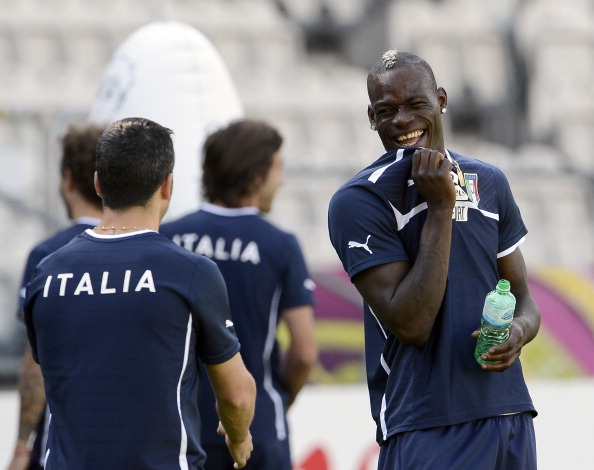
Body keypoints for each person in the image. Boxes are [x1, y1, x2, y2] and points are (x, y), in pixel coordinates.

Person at [327, 50, 541, 470]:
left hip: (510, 414)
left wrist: (519, 330)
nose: (402, 121)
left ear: (441, 99)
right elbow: (411, 323)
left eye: (415, 105)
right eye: (386, 111)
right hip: (427, 423)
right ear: (371, 118)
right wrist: (441, 209)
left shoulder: (489, 180)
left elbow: (523, 297)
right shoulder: (360, 200)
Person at [23, 117, 256, 470]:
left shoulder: (47, 274)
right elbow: (237, 394)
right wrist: (239, 439)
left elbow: (50, 374)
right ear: (167, 185)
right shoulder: (190, 272)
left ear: (99, 184)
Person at [160, 119, 317, 470]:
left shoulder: (167, 236)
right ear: (255, 174)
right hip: (257, 430)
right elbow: (304, 353)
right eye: (278, 169)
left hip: (181, 429)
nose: (282, 181)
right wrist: (273, 402)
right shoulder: (280, 245)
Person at [7, 123, 105, 470]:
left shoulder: (48, 255)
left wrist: (21, 446)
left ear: (67, 178)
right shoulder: (152, 251)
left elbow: (37, 361)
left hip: (65, 445)